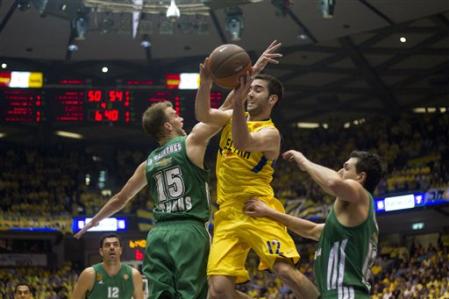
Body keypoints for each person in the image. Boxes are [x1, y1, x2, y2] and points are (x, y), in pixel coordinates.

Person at [74, 93, 235, 298]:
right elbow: (218, 115)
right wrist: (242, 87)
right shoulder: (191, 142)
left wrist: (92, 222)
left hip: (158, 235)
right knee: (192, 293)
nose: (181, 118)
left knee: (160, 294)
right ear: (168, 126)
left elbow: (119, 199)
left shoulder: (148, 163)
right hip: (189, 231)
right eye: (175, 115)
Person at [195, 41, 319, 299]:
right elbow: (204, 114)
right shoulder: (231, 117)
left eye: (258, 90)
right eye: (249, 89)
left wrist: (237, 103)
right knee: (218, 290)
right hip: (226, 212)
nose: (250, 93)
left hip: (259, 208)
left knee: (284, 271)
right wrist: (206, 81)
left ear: (272, 99)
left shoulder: (270, 133)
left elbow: (243, 142)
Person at [245, 150, 383, 298]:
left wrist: (303, 161)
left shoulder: (361, 194)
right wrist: (269, 213)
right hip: (337, 294)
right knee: (283, 270)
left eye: (347, 167)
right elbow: (311, 230)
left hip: (346, 295)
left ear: (360, 177)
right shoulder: (352, 224)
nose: (340, 171)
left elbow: (334, 183)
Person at [72, 233, 144, 299]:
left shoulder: (134, 275)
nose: (112, 247)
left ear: (120, 250)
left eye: (115, 244)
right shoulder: (89, 274)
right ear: (101, 251)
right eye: (107, 245)